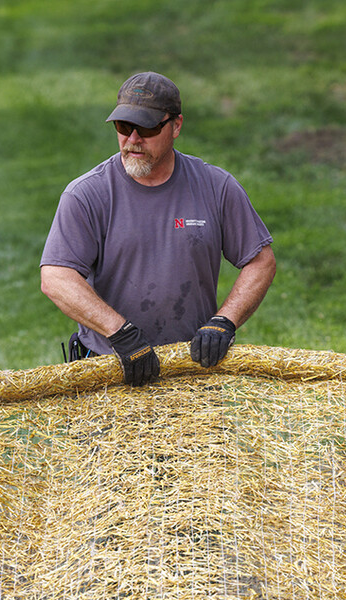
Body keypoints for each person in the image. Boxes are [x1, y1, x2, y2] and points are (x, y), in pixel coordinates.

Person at [40, 71, 276, 386]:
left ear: (176, 125)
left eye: (147, 128)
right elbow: (56, 277)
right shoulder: (87, 194)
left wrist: (224, 322)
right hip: (110, 371)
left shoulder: (216, 186)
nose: (133, 140)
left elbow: (261, 261)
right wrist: (119, 332)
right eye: (124, 127)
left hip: (193, 371)